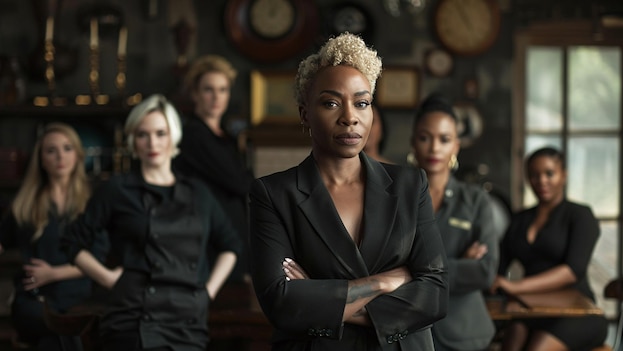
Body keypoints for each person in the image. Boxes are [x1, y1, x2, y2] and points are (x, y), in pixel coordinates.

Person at [248, 33, 448, 351]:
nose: (349, 117)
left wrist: (319, 295)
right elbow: (280, 303)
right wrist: (382, 282)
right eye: (331, 103)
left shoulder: (411, 186)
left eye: (362, 103)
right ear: (304, 114)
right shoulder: (273, 194)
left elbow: (435, 294)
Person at [61, 94, 241, 351]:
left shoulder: (198, 192)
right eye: (142, 134)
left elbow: (230, 245)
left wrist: (207, 293)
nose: (152, 143)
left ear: (173, 136)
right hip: (134, 318)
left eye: (160, 133)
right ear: (133, 140)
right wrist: (109, 279)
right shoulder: (117, 189)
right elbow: (72, 241)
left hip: (188, 321)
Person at [491, 147, 608, 351]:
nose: (541, 181)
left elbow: (573, 271)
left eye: (549, 173)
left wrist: (516, 287)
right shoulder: (520, 219)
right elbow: (499, 267)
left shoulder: (580, 215)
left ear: (564, 174)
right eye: (534, 175)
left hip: (576, 311)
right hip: (530, 310)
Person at [0, 122, 103, 351]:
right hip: (33, 299)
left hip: (78, 299)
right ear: (41, 159)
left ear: (77, 154)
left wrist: (53, 273)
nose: (60, 157)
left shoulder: (93, 202)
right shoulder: (25, 202)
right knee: (63, 331)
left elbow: (99, 261)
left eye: (67, 148)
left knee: (59, 336)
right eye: (51, 150)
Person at [409, 92, 499, 351]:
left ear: (456, 146)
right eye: (425, 138)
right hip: (407, 330)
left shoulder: (476, 201)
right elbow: (381, 265)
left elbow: (485, 270)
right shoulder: (397, 199)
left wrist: (413, 272)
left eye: (444, 139)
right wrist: (459, 264)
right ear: (413, 143)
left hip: (463, 334)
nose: (434, 148)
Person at [173, 54, 254, 283]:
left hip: (232, 232)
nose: (216, 97)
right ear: (195, 93)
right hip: (209, 239)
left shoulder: (225, 136)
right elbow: (239, 182)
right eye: (209, 90)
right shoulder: (194, 136)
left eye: (223, 89)